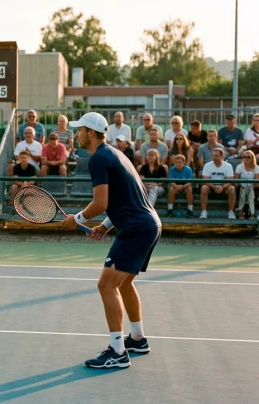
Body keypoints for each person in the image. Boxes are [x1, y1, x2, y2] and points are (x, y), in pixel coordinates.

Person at [63, 112, 161, 369]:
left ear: (91, 133)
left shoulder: (98, 159)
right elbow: (125, 198)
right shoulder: (116, 154)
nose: (76, 134)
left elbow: (101, 203)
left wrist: (77, 218)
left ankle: (118, 352)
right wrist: (106, 226)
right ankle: (137, 339)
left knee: (106, 285)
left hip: (137, 228)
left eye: (80, 130)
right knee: (124, 282)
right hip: (149, 224)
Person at [200, 148, 236, 219]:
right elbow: (205, 180)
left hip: (224, 188)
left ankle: (231, 212)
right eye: (213, 156)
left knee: (232, 189)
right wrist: (214, 187)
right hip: (210, 188)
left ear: (222, 156)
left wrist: (222, 187)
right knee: (204, 188)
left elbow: (230, 181)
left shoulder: (228, 166)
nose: (214, 157)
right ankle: (204, 212)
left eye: (216, 156)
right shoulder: (207, 165)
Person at [235, 150, 258, 219]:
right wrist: (242, 185)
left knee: (251, 195)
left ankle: (251, 214)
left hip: (252, 187)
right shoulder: (239, 167)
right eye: (244, 157)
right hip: (241, 186)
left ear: (252, 158)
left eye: (248, 157)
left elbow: (257, 182)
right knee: (243, 193)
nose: (246, 159)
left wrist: (252, 186)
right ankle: (240, 213)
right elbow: (236, 181)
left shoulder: (256, 168)